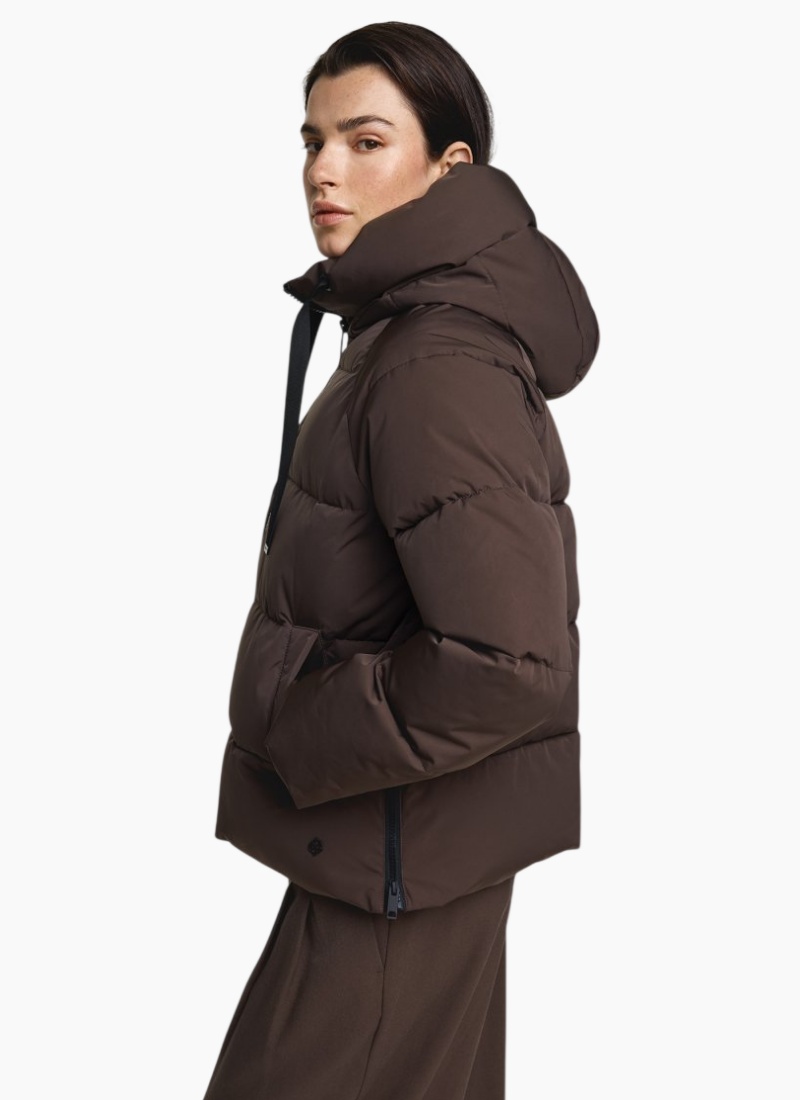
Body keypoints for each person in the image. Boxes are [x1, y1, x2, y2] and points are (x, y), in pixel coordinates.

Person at [203, 20, 599, 1100]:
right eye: (312, 139)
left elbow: (509, 662)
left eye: (365, 140)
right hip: (402, 856)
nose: (322, 170)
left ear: (449, 166)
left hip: (395, 863)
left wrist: (302, 723)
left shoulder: (435, 360)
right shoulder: (400, 334)